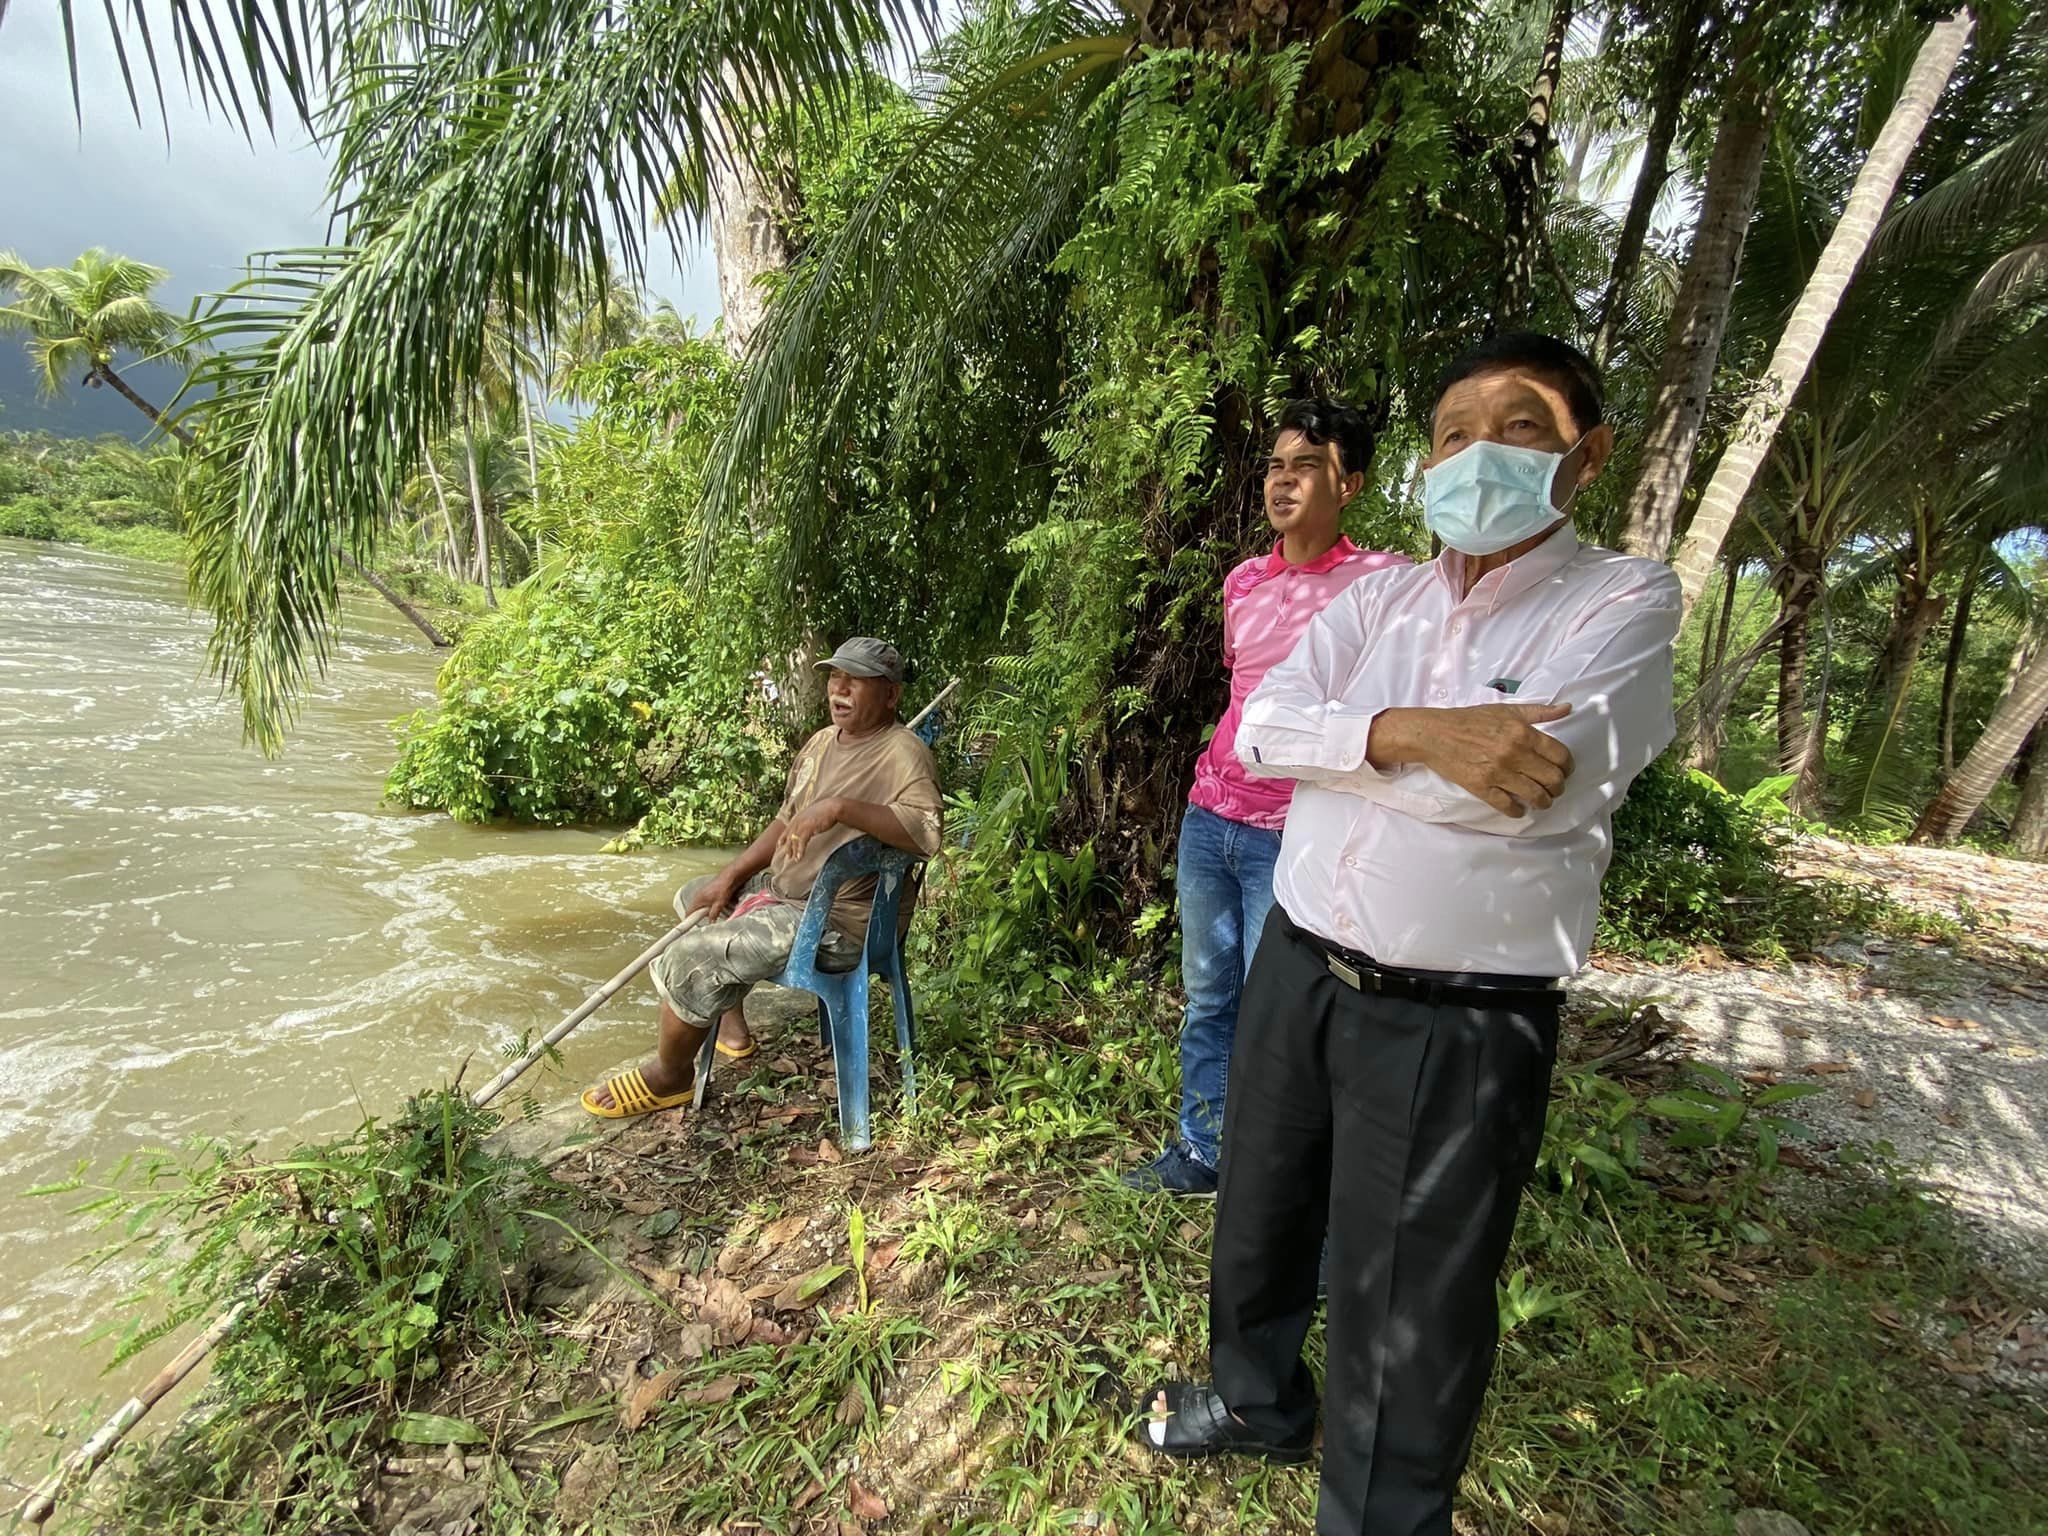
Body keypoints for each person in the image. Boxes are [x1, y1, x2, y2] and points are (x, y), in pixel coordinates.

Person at [1139, 333, 1681, 1536]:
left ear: (1584, 458)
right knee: (1261, 1213)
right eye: (1452, 432)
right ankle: (1255, 1403)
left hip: (1460, 1007)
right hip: (1301, 953)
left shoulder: (1623, 602)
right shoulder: (1375, 597)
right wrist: (1413, 733)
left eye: (1520, 426)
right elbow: (1258, 732)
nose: (1477, 451)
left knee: (1410, 1293)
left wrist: (1351, 745)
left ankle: (1377, 1518)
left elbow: (1545, 780)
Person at [1125, 400, 1408, 1197]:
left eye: (1306, 466)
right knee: (1210, 995)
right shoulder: (1244, 581)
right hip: (1210, 817)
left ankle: (1285, 1184)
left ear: (1349, 484)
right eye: (1276, 467)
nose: (1283, 482)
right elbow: (1246, 692)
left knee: (1289, 1014)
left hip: (1301, 830)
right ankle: (1204, 1151)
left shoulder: (1384, 584)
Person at [582, 637, 943, 1119]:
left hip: (835, 923)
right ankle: (731, 1029)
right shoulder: (819, 743)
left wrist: (838, 808)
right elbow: (783, 822)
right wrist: (730, 876)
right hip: (784, 895)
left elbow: (925, 835)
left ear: (891, 696)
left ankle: (671, 1075)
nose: (840, 689)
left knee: (692, 953)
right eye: (835, 677)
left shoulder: (904, 753)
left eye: (856, 681)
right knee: (696, 898)